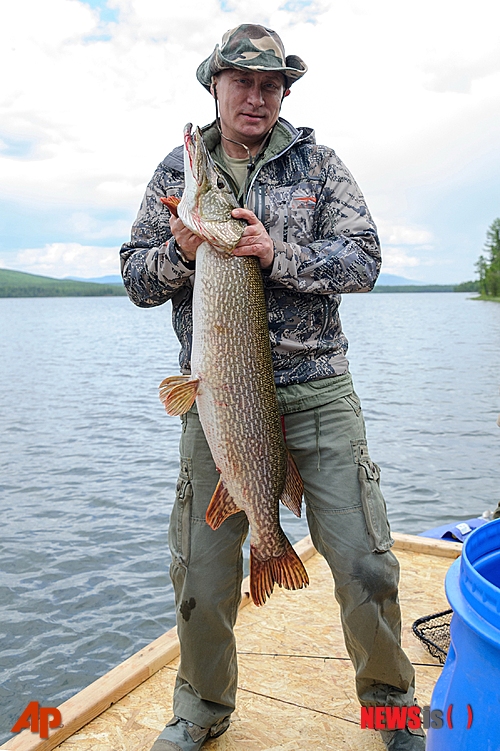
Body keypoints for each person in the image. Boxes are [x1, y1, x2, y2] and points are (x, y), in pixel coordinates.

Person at [120, 24, 425, 751]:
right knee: (201, 569)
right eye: (240, 82)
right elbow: (135, 276)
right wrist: (183, 248)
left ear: (283, 93)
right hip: (219, 400)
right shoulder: (178, 171)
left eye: (269, 85)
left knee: (363, 561)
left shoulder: (319, 164)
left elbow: (366, 260)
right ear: (215, 86)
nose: (254, 97)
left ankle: (391, 710)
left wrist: (274, 251)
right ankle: (201, 707)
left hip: (318, 392)